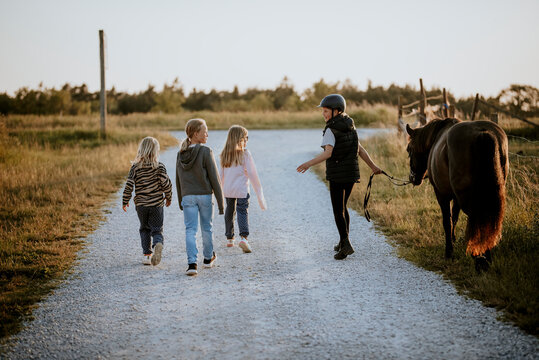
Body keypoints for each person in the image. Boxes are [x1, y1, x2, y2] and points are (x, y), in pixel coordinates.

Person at [296, 94, 382, 260]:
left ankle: (346, 244)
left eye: (326, 111)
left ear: (337, 111)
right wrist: (373, 166)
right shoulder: (350, 125)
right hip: (351, 174)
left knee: (338, 210)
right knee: (343, 207)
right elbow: (360, 150)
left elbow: (328, 153)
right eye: (323, 111)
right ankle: (343, 241)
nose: (324, 114)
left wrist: (308, 164)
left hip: (337, 175)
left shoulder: (331, 129)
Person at [176, 118, 224, 276]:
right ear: (196, 134)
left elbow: (178, 180)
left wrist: (180, 200)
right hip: (204, 196)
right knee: (207, 228)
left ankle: (192, 264)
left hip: (188, 196)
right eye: (205, 131)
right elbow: (214, 178)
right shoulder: (206, 151)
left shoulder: (181, 154)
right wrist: (221, 202)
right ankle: (208, 259)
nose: (207, 134)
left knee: (190, 230)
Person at [122, 137, 172, 266]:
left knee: (144, 229)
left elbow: (129, 185)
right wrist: (168, 197)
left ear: (141, 150)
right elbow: (166, 184)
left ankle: (147, 255)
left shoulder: (135, 167)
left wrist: (125, 200)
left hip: (141, 205)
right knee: (157, 229)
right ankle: (158, 244)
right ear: (156, 152)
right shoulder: (159, 167)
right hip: (156, 205)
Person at [219, 125, 267, 253]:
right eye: (246, 138)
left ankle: (230, 238)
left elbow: (220, 175)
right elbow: (253, 174)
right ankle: (244, 238)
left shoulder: (224, 154)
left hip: (228, 190)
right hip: (241, 190)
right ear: (239, 139)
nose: (247, 141)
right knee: (242, 212)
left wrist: (217, 191)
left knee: (229, 212)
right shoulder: (245, 154)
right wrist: (260, 195)